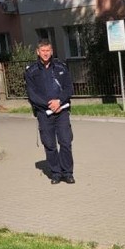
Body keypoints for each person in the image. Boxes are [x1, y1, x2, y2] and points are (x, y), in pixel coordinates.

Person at [25, 39, 74, 185]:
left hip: (62, 111)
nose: (45, 53)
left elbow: (68, 88)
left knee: (65, 142)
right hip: (44, 113)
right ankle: (56, 173)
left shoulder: (61, 67)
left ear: (52, 51)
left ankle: (68, 173)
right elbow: (32, 94)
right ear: (38, 52)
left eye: (48, 51)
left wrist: (59, 101)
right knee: (50, 145)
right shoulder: (31, 71)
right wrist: (49, 105)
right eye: (43, 51)